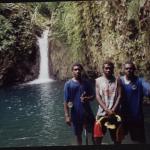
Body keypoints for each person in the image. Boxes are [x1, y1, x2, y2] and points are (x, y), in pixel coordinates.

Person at [64, 63, 95, 145]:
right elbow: (66, 102)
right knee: (78, 135)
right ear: (72, 71)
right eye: (75, 69)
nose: (77, 71)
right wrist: (67, 116)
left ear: (81, 71)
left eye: (79, 69)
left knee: (93, 133)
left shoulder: (87, 83)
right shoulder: (68, 84)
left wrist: (87, 98)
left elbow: (93, 97)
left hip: (88, 113)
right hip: (75, 114)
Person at [120, 61, 150, 144]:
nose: (129, 70)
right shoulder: (119, 81)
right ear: (123, 70)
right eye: (127, 68)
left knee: (140, 141)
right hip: (123, 117)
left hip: (136, 118)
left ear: (134, 70)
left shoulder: (140, 81)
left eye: (131, 68)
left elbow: (148, 89)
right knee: (119, 140)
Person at [94, 60, 123, 144]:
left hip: (115, 113)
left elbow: (120, 96)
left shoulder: (118, 80)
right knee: (97, 138)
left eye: (110, 68)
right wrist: (107, 110)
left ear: (113, 69)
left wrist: (113, 110)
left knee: (117, 138)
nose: (108, 70)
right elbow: (97, 96)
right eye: (106, 68)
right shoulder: (98, 81)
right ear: (103, 69)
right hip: (101, 113)